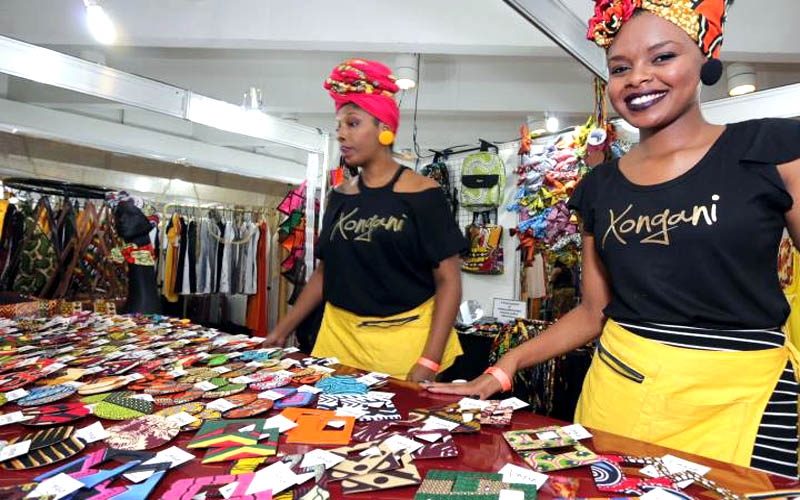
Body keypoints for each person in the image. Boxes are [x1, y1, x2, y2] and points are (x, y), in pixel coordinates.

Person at [424, 0, 800, 479]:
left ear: (705, 58)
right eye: (620, 67)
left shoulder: (771, 150)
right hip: (621, 386)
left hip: (742, 395)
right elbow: (592, 311)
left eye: (662, 57)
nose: (638, 77)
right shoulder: (600, 187)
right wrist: (503, 368)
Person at [264, 59, 465, 382]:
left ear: (385, 130)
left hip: (407, 342)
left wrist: (429, 360)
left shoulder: (424, 195)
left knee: (401, 430)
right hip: (339, 340)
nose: (342, 135)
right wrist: (281, 330)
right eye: (339, 126)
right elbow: (325, 273)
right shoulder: (340, 196)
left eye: (353, 124)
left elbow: (449, 281)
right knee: (328, 429)